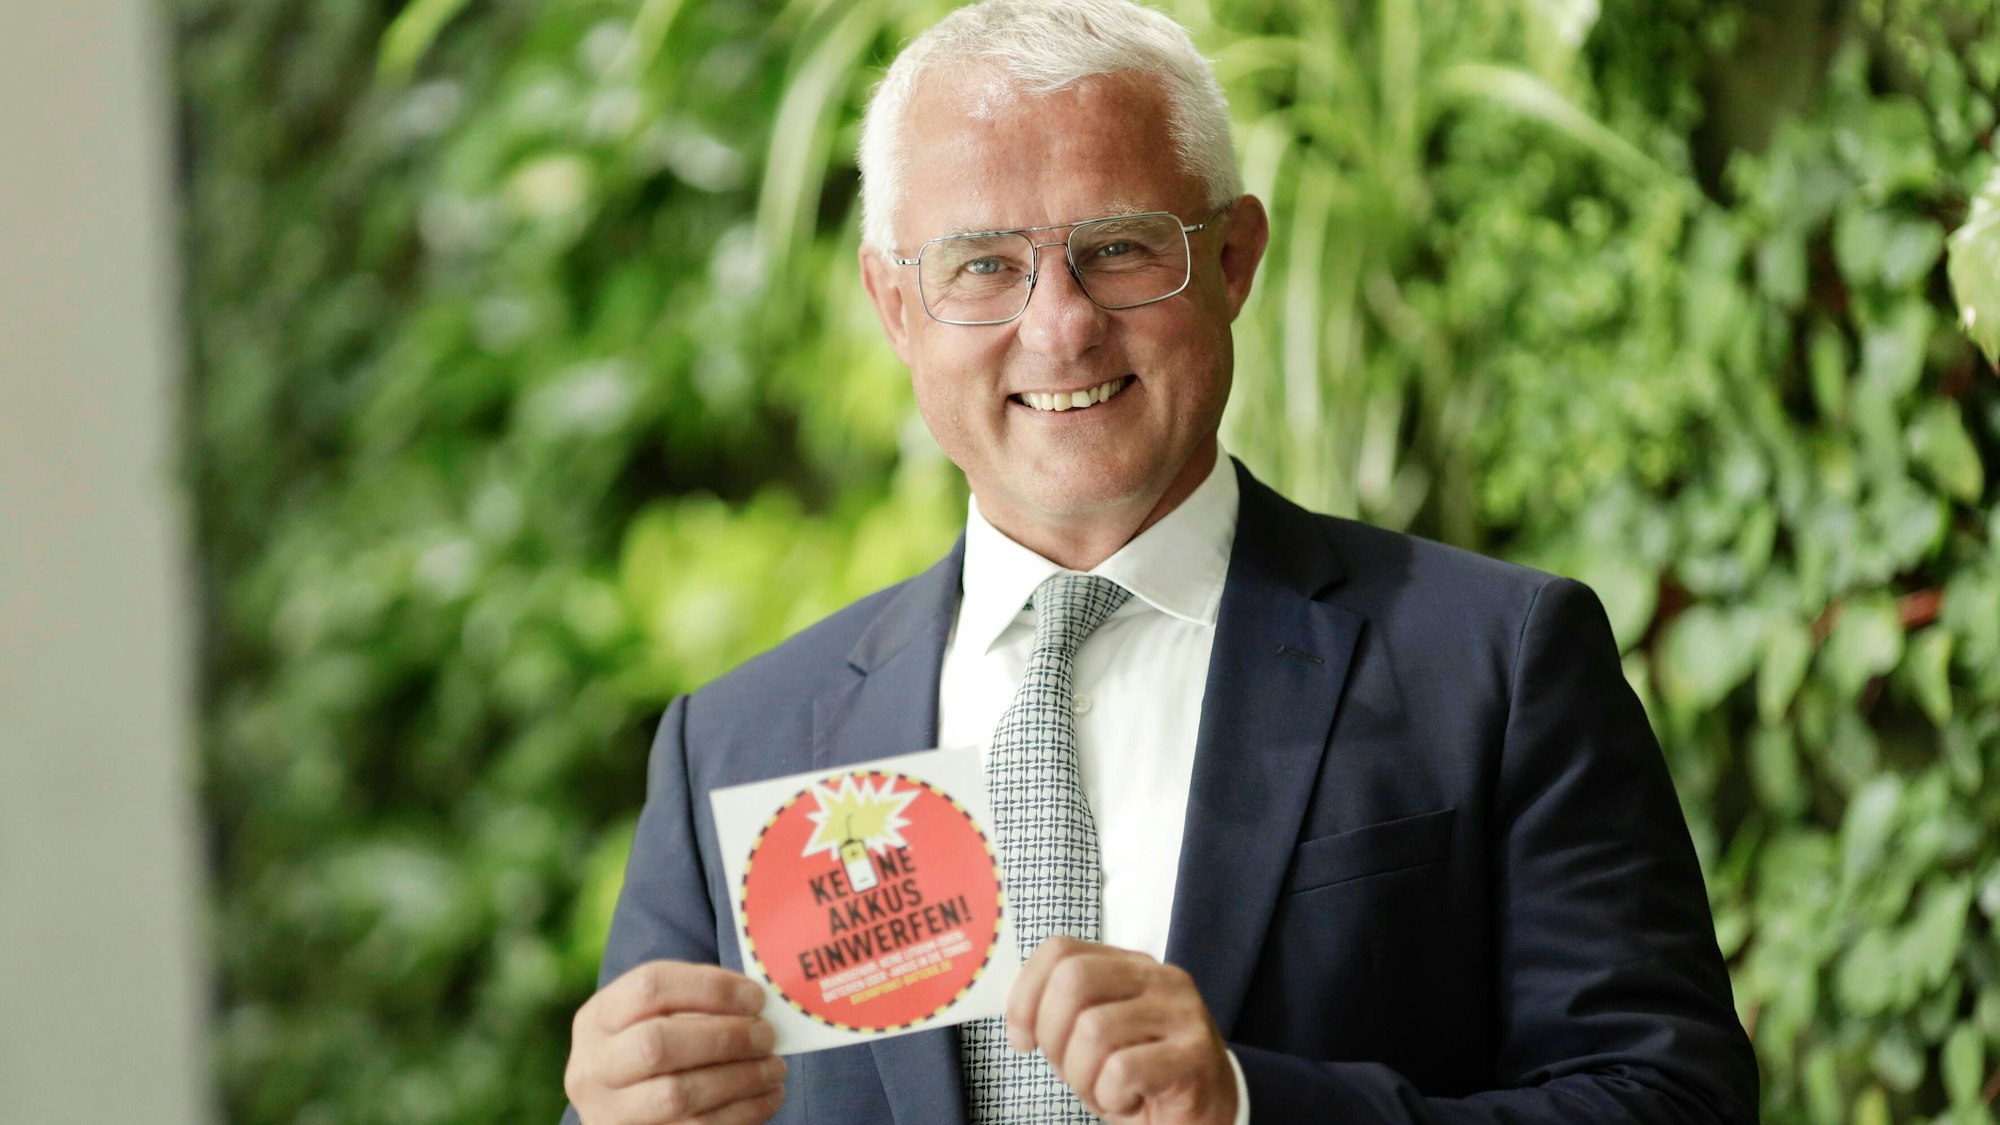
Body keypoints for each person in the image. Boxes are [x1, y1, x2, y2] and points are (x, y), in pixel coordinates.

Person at [560, 1, 1760, 1122]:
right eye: (981, 265)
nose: (1060, 325)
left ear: (1234, 259)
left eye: (1121, 249)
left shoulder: (1493, 665)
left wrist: (1248, 1104)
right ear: (894, 306)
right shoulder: (735, 750)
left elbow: (1672, 1098)